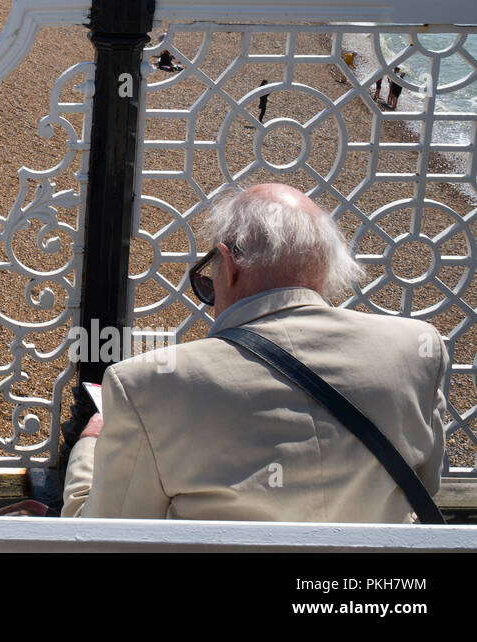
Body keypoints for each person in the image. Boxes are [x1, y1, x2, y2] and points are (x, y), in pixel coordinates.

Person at [62, 184, 447, 522]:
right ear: (328, 269)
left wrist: (90, 446)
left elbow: (103, 534)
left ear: (228, 266)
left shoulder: (144, 387)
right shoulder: (415, 350)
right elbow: (425, 486)